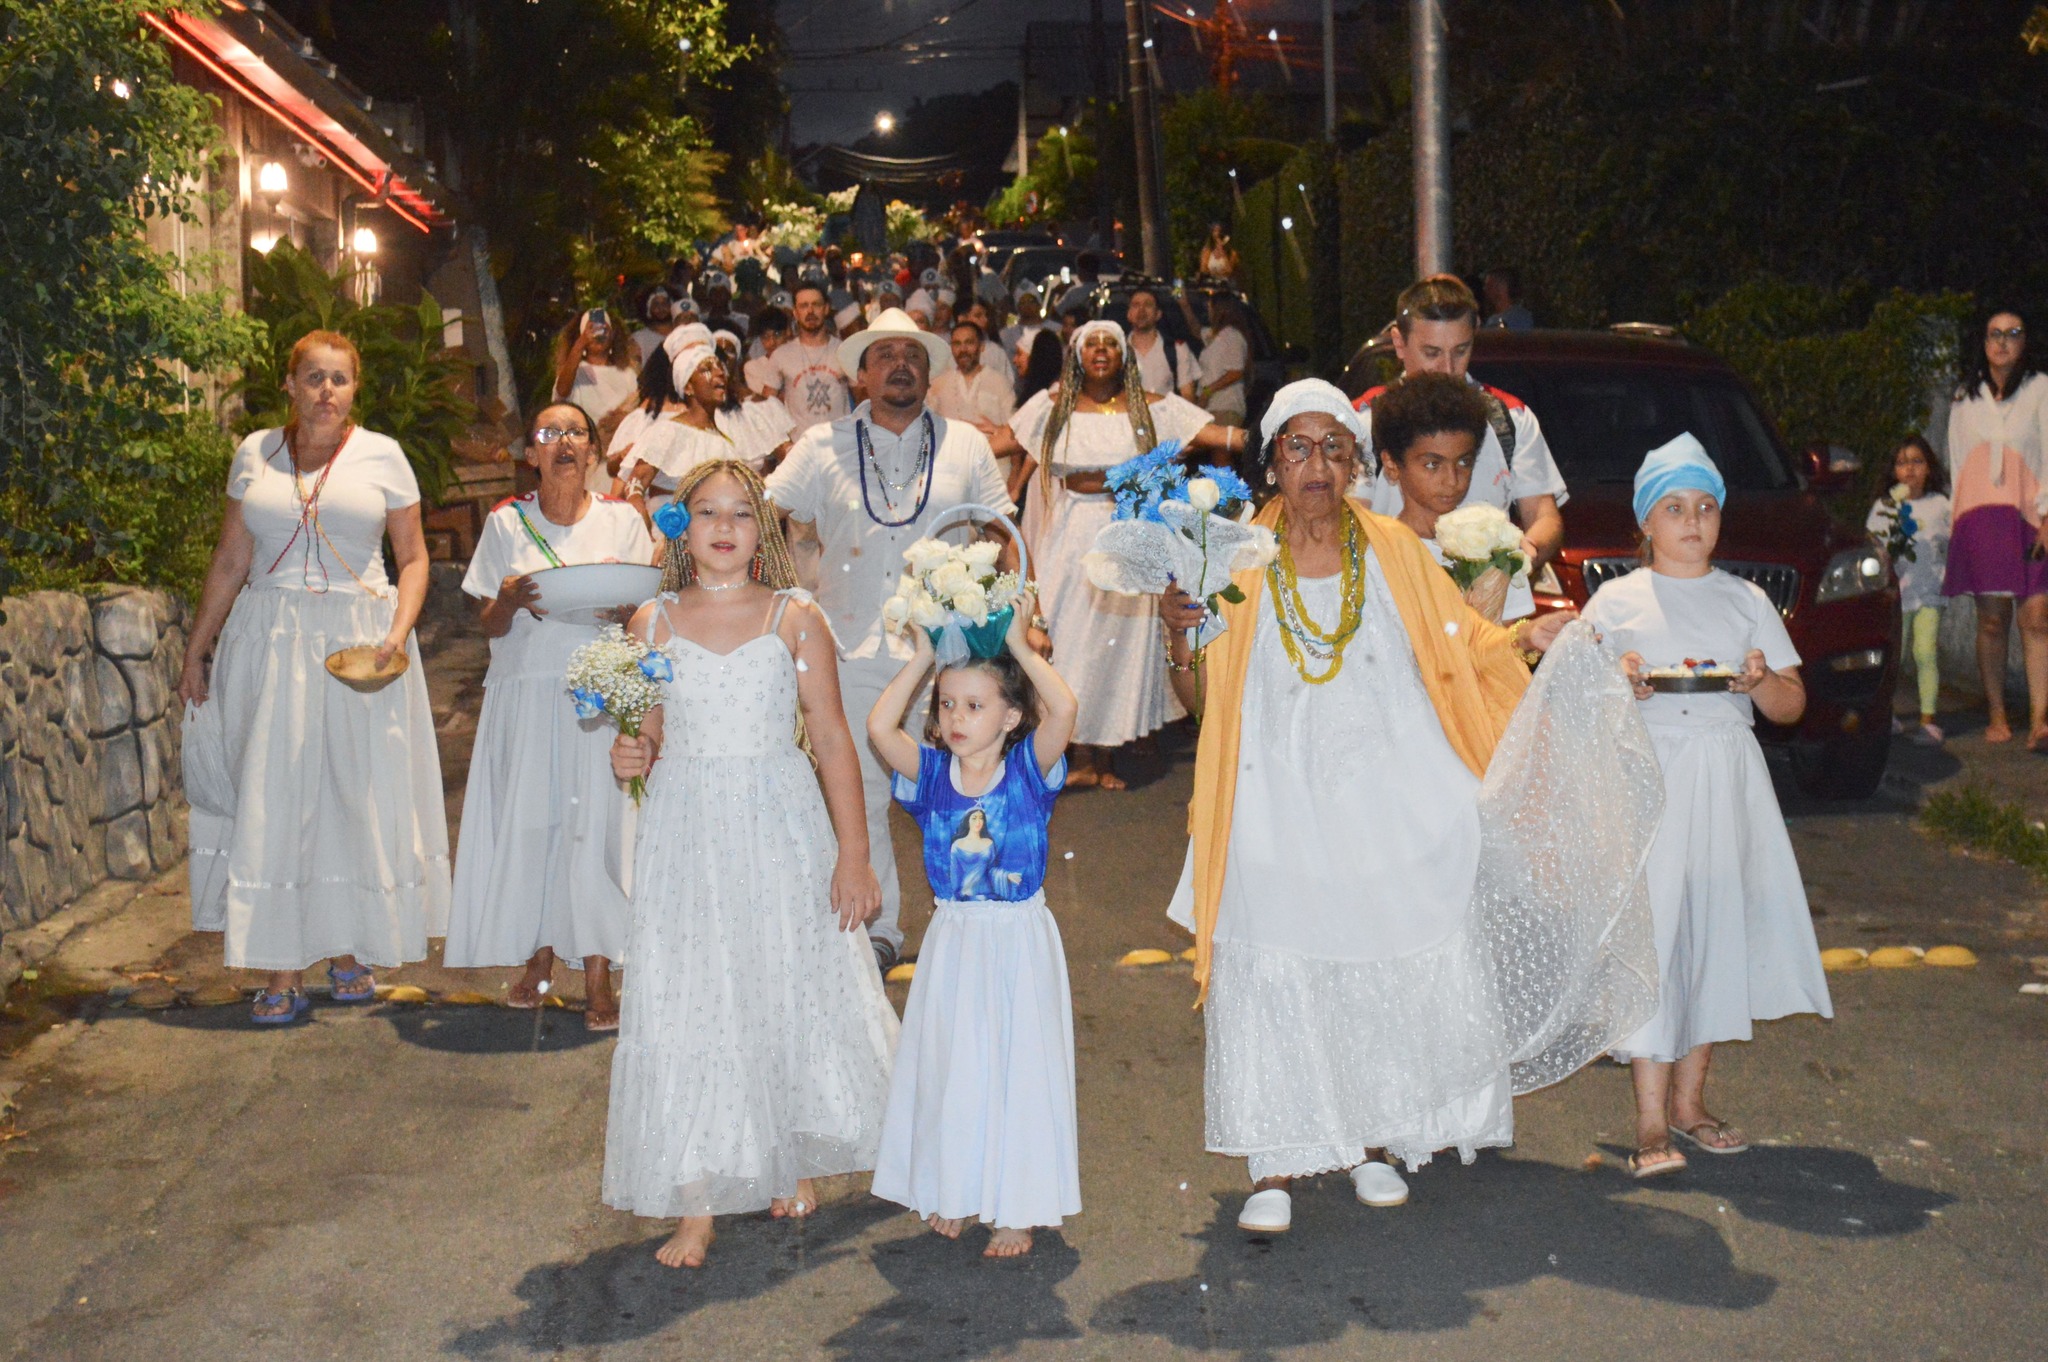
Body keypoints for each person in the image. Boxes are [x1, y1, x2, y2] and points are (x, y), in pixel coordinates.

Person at [1158, 379, 1652, 1233]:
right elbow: (1200, 699)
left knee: (1377, 950)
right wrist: (1177, 633)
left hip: (1382, 799)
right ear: (1271, 461)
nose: (1316, 465)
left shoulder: (1392, 551)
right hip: (1271, 798)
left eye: (1333, 448)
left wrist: (1524, 641)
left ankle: (1372, 1145)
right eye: (1297, 448)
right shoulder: (1230, 559)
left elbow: (1457, 647)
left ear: (1356, 463)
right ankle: (1279, 1155)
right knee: (1279, 962)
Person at [604, 459, 897, 1270]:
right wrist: (631, 753)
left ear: (760, 528)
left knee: (779, 986)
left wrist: (856, 855)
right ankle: (696, 1197)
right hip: (688, 831)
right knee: (690, 997)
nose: (724, 526)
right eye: (706, 512)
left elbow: (832, 735)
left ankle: (786, 1151)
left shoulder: (795, 617)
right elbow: (649, 734)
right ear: (681, 527)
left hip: (779, 822)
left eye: (740, 512)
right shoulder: (651, 622)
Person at [179, 330, 450, 1025]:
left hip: (357, 641)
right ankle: (281, 965)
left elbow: (413, 559)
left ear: (355, 389)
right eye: (313, 377)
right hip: (267, 637)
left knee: (350, 794)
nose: (326, 390)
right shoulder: (255, 453)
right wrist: (197, 648)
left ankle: (349, 948)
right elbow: (231, 558)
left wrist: (396, 633)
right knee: (274, 796)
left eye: (340, 379)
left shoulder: (383, 456)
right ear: (290, 386)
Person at [1583, 434, 1832, 1178]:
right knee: (1656, 941)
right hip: (1654, 782)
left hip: (1727, 783)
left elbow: (1791, 705)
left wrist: (1758, 681)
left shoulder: (1745, 600)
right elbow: (1569, 699)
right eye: (1673, 507)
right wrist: (1614, 681)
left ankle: (1691, 1105)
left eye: (1704, 507)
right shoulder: (1617, 602)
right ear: (1646, 524)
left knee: (1715, 934)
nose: (1691, 521)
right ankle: (1650, 1120)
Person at [765, 308, 1030, 977]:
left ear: (929, 370)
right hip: (848, 649)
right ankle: (878, 927)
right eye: (884, 355)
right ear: (861, 373)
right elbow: (763, 516)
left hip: (950, 657)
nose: (900, 366)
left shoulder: (967, 445)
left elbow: (1004, 537)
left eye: (911, 355)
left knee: (964, 790)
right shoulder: (819, 443)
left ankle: (968, 920)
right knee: (861, 793)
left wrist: (1009, 620)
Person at [866, 599, 1081, 1258]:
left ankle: (1017, 1204)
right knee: (954, 1066)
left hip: (1017, 937)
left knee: (1018, 1064)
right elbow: (879, 727)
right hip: (955, 938)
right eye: (947, 705)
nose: (956, 718)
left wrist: (1018, 647)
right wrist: (925, 655)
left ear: (1011, 716)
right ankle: (954, 1183)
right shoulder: (932, 776)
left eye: (976, 705)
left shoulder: (1027, 771)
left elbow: (1065, 709)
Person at [445, 403, 655, 1031]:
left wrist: (626, 614)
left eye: (575, 432)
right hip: (526, 690)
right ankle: (539, 960)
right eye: (548, 434)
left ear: (593, 450)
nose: (563, 442)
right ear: (530, 454)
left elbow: (647, 610)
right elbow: (487, 621)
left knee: (598, 825)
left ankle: (599, 976)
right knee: (534, 822)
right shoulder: (508, 524)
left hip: (600, 687)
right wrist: (506, 600)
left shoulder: (622, 520)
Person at [990, 321, 1246, 788]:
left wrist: (1270, 437)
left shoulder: (1147, 408)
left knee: (1116, 644)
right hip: (1069, 533)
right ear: (1077, 355)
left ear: (1124, 356)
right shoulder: (1050, 408)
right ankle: (1077, 751)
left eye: (1111, 343)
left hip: (1127, 529)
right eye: (1093, 344)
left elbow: (1210, 433)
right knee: (1069, 639)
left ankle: (1105, 757)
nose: (1102, 351)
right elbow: (999, 441)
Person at [1356, 275, 1569, 573]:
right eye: (1431, 353)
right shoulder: (1362, 423)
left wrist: (1519, 559)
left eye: (1460, 351)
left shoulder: (1511, 418)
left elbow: (1543, 515)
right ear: (1399, 343)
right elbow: (1348, 528)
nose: (1446, 368)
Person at [1941, 307, 2048, 748]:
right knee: (1991, 620)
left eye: (2013, 333)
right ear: (1982, 343)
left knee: (2037, 616)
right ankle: (1998, 715)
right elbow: (1957, 459)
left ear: (2025, 342)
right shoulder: (1965, 400)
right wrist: (1958, 523)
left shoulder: (2041, 390)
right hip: (1982, 517)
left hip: (2029, 516)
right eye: (1994, 334)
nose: (2002, 342)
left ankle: (2041, 720)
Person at [1375, 374, 1534, 624]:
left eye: (1463, 462)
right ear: (1392, 464)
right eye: (1432, 464)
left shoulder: (1495, 544)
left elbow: (1513, 641)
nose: (1451, 480)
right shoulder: (1376, 552)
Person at [617, 324, 793, 515]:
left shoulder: (724, 442)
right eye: (707, 369)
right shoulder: (667, 430)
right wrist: (637, 506)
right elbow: (636, 481)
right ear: (688, 387)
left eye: (719, 366)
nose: (719, 373)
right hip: (667, 531)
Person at [1868, 435, 1951, 745]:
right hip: (1897, 596)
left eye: (1917, 461)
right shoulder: (1885, 507)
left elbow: (1953, 542)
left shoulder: (1941, 504)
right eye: (1902, 463)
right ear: (1893, 471)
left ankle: (1928, 719)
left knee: (1925, 651)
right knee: (1895, 657)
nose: (1910, 469)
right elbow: (1873, 546)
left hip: (1930, 592)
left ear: (1929, 467)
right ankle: (1886, 713)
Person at [758, 282, 851, 435]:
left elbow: (863, 401)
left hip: (840, 447)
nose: (810, 311)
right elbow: (766, 407)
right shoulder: (781, 355)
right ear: (795, 312)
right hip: (800, 449)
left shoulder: (845, 351)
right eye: (803, 306)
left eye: (816, 304)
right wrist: (784, 446)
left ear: (826, 309)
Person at [553, 308, 641, 451]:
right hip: (586, 450)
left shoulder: (627, 374)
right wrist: (581, 343)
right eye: (592, 329)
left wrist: (623, 419)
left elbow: (639, 411)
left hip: (621, 451)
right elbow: (561, 392)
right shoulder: (576, 372)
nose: (598, 333)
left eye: (603, 329)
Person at [928, 319, 1016, 441]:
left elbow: (1015, 431)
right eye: (957, 344)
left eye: (969, 343)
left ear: (981, 347)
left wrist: (997, 429)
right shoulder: (937, 385)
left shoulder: (999, 382)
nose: (963, 349)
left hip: (993, 457)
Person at [1126, 285, 1198, 402]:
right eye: (1136, 305)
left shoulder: (1177, 349)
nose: (1141, 310)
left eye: (1148, 305)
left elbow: (1188, 397)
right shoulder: (1117, 351)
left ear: (1158, 314)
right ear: (1128, 314)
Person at [1193, 295, 1251, 427]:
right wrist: (1183, 305)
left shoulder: (1232, 336)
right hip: (1210, 408)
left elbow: (1235, 372)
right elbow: (1196, 330)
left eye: (1210, 307)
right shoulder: (1215, 335)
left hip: (1226, 408)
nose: (1208, 311)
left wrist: (1207, 391)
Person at [742, 304, 790, 400]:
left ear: (788, 332)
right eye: (766, 337)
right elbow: (770, 399)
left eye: (777, 334)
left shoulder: (800, 359)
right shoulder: (753, 367)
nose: (772, 342)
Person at [630, 287, 678, 365]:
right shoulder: (638, 338)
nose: (661, 308)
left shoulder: (682, 334)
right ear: (649, 310)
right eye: (656, 304)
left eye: (664, 303)